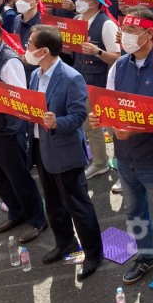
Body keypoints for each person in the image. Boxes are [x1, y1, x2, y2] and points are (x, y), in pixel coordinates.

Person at [88, 7, 153, 291]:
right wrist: (102, 119)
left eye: (133, 31)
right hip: (124, 155)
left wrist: (134, 129)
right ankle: (146, 256)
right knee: (134, 211)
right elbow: (109, 105)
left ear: (149, 34)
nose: (126, 36)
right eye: (125, 29)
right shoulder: (118, 65)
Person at [25, 26, 104, 279]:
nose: (26, 49)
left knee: (77, 204)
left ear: (44, 51)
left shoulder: (71, 77)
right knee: (53, 202)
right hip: (41, 146)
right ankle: (65, 242)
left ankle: (93, 253)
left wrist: (57, 122)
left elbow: (79, 115)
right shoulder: (36, 74)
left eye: (30, 45)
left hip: (64, 150)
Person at [0, 11, 47, 243]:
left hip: (7, 128)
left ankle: (36, 219)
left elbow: (19, 99)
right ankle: (16, 212)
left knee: (17, 176)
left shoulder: (8, 60)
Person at [67, 0, 121, 181]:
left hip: (100, 82)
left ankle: (115, 163)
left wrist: (97, 52)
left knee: (108, 125)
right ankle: (99, 161)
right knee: (90, 125)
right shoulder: (77, 20)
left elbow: (117, 57)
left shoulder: (106, 24)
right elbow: (69, 51)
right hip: (80, 79)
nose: (79, 1)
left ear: (96, 2)